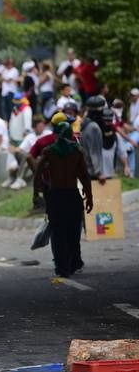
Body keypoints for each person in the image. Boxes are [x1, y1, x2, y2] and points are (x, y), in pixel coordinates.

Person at [34, 121, 93, 277]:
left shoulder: (49, 151)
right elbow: (84, 176)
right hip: (73, 195)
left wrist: (36, 193)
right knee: (73, 232)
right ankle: (74, 263)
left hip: (56, 196)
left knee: (59, 233)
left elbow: (37, 173)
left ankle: (62, 267)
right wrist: (90, 197)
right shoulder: (77, 152)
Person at [80, 95, 108, 185]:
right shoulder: (93, 128)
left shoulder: (84, 124)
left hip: (85, 170)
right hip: (93, 174)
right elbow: (94, 151)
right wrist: (99, 172)